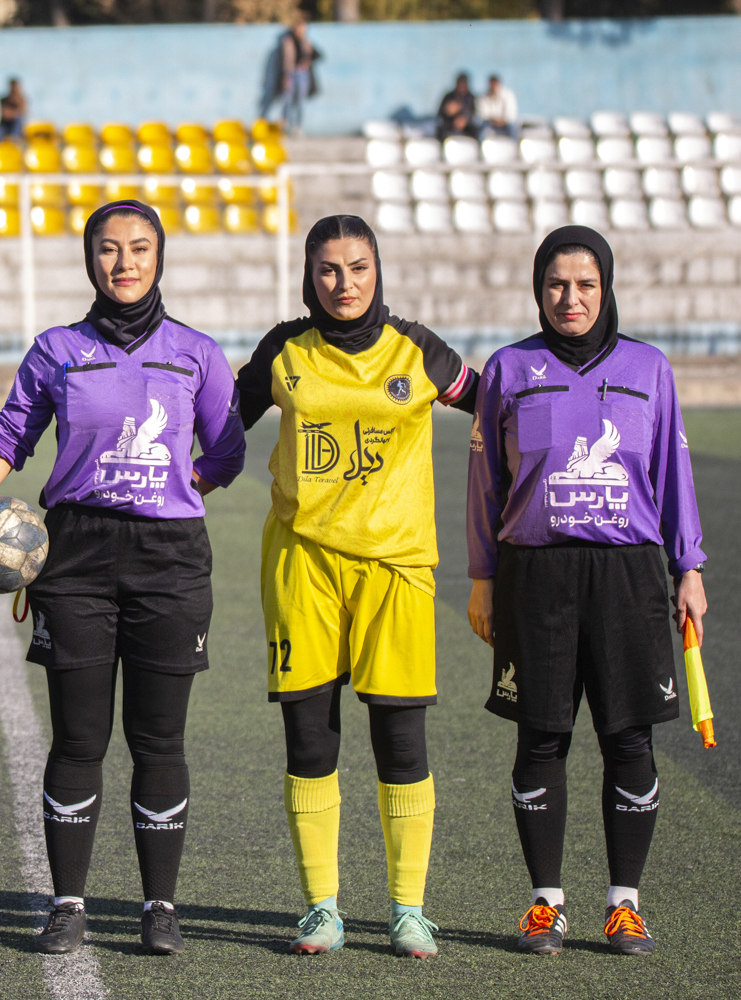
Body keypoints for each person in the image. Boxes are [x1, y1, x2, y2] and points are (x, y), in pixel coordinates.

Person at [0, 200, 245, 957]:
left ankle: (159, 907)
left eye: (139, 247)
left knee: (159, 739)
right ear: (89, 259)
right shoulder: (56, 350)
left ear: (159, 257)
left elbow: (227, 451)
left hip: (170, 559)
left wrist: (174, 488)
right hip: (75, 559)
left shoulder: (197, 352)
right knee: (78, 739)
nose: (124, 262)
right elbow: (8, 441)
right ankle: (67, 904)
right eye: (108, 248)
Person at [232, 215, 478, 960]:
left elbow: (497, 405)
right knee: (310, 734)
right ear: (310, 276)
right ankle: (322, 909)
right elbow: (217, 429)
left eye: (359, 267)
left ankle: (409, 911)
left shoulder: (419, 350)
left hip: (396, 567)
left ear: (378, 269)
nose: (345, 284)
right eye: (329, 270)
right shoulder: (284, 350)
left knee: (400, 738)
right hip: (302, 564)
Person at [465, 226, 706, 958]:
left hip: (628, 575)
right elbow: (486, 485)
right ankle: (546, 904)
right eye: (556, 285)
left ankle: (624, 904)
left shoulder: (648, 367)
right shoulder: (509, 368)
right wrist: (482, 579)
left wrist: (689, 567)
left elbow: (672, 474)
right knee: (542, 738)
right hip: (535, 576)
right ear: (538, 290)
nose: (570, 298)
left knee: (629, 738)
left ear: (606, 288)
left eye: (585, 285)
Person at [275, 17, 321, 136]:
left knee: (300, 102)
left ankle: (298, 127)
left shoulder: (306, 41)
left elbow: (317, 55)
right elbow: (285, 59)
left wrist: (307, 61)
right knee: (287, 99)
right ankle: (285, 125)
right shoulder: (288, 41)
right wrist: (285, 75)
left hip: (303, 74)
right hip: (290, 73)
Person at [436, 73, 477, 141]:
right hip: (450, 125)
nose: (461, 86)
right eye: (460, 83)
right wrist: (447, 111)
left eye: (463, 84)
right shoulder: (449, 96)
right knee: (440, 130)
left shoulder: (471, 98)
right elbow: (440, 114)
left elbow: (475, 113)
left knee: (475, 130)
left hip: (467, 127)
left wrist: (465, 119)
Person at [477, 75, 519, 139]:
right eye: (492, 84)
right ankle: (481, 144)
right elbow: (483, 114)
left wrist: (502, 121)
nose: (493, 86)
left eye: (495, 84)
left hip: (506, 124)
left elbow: (511, 114)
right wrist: (494, 120)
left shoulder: (508, 95)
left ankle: (514, 144)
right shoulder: (484, 97)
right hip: (491, 123)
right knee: (482, 131)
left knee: (513, 127)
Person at [0, 78, 27, 142]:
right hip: (5, 125)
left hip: (16, 127)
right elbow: (5, 114)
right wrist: (15, 112)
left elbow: (23, 113)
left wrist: (17, 102)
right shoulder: (4, 100)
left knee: (18, 120)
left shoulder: (21, 100)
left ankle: (14, 139)